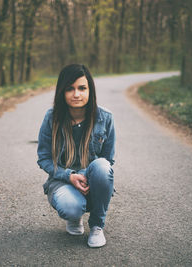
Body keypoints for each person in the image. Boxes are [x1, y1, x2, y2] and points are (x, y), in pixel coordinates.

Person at [37, 64, 115, 248]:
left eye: (82, 88)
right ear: (61, 92)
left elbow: (108, 159)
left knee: (103, 166)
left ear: (90, 90)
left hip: (91, 177)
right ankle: (74, 217)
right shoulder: (51, 118)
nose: (76, 94)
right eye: (70, 89)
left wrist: (88, 177)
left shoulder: (105, 117)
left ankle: (97, 226)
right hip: (63, 180)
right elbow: (44, 158)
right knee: (71, 207)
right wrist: (69, 176)